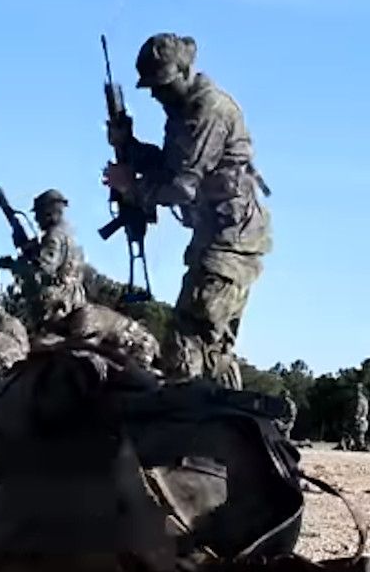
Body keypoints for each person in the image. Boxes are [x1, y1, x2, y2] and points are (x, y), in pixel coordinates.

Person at [105, 32, 271, 389]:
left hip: (230, 242)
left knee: (188, 346)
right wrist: (129, 146)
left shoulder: (207, 110)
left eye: (161, 85)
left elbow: (182, 188)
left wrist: (131, 188)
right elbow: (170, 165)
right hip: (217, 237)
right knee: (209, 353)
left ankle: (205, 436)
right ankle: (221, 433)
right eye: (151, 87)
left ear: (183, 71)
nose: (156, 94)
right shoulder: (181, 112)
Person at [0, 189, 86, 328]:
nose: (36, 219)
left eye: (38, 213)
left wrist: (13, 265)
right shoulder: (67, 234)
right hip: (74, 298)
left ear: (49, 212)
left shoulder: (53, 236)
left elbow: (42, 269)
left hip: (58, 303)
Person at [344, 382, 369, 451]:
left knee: (359, 439)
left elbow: (362, 411)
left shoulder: (361, 400)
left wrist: (360, 418)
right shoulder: (356, 400)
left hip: (360, 422)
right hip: (355, 421)